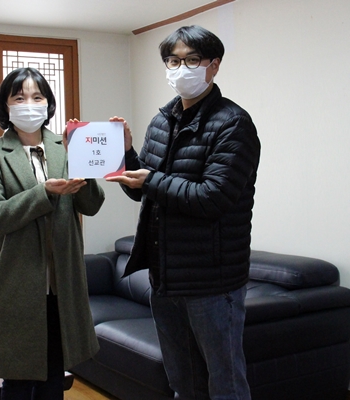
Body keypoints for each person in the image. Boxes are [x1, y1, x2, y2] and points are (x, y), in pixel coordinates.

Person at [106, 25, 260, 400]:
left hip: (212, 281)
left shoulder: (233, 123)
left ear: (214, 65)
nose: (181, 69)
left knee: (225, 384)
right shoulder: (162, 121)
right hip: (164, 276)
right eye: (173, 61)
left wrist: (151, 180)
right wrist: (125, 154)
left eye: (192, 60)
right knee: (183, 382)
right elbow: (143, 191)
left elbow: (213, 198)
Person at [0, 67, 105, 400]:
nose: (29, 105)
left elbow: (91, 205)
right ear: (5, 106)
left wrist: (83, 167)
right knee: (17, 381)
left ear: (48, 104)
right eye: (19, 98)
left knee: (54, 379)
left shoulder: (65, 146)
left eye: (37, 97)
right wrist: (44, 192)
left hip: (62, 285)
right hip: (17, 284)